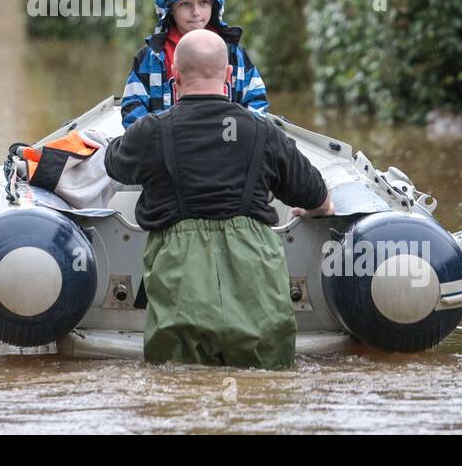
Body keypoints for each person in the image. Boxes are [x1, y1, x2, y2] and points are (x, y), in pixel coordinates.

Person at [104, 28, 333, 369]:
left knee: (179, 388)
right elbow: (315, 194)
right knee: (264, 391)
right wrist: (321, 209)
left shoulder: (150, 131)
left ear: (174, 76)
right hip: (254, 275)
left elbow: (115, 164)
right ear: (228, 76)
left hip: (180, 277)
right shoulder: (264, 132)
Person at [121, 0, 267, 129]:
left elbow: (256, 101)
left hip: (226, 144)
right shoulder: (151, 57)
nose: (196, 12)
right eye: (185, 4)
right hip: (169, 148)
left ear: (214, 5)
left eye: (203, 2)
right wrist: (156, 140)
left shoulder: (233, 53)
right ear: (169, 9)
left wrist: (240, 137)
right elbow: (133, 108)